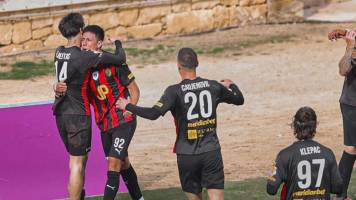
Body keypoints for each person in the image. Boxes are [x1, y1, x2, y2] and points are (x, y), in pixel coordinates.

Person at [116, 47, 244, 200]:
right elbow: (239, 100)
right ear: (197, 63)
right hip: (211, 152)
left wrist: (128, 106)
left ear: (178, 66)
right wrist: (232, 84)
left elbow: (153, 114)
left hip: (187, 154)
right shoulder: (213, 86)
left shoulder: (173, 91)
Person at [53, 13, 125, 200]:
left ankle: (79, 194)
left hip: (60, 113)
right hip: (78, 115)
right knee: (77, 163)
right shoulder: (83, 56)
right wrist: (118, 43)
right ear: (80, 30)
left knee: (75, 161)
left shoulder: (58, 51)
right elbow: (119, 59)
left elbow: (61, 81)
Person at [81, 25, 144, 200]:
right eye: (82, 40)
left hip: (123, 122)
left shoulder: (115, 63)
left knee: (114, 164)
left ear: (99, 44)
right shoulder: (82, 68)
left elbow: (135, 90)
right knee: (123, 164)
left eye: (88, 40)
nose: (84, 43)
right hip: (104, 125)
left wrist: (130, 108)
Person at [266, 106, 343, 199]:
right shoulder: (328, 153)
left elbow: (271, 189)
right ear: (315, 125)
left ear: (294, 126)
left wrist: (271, 176)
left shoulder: (284, 155)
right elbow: (338, 188)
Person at [329, 28, 356, 200]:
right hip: (352, 105)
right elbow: (343, 69)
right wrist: (349, 45)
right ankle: (340, 196)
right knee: (352, 148)